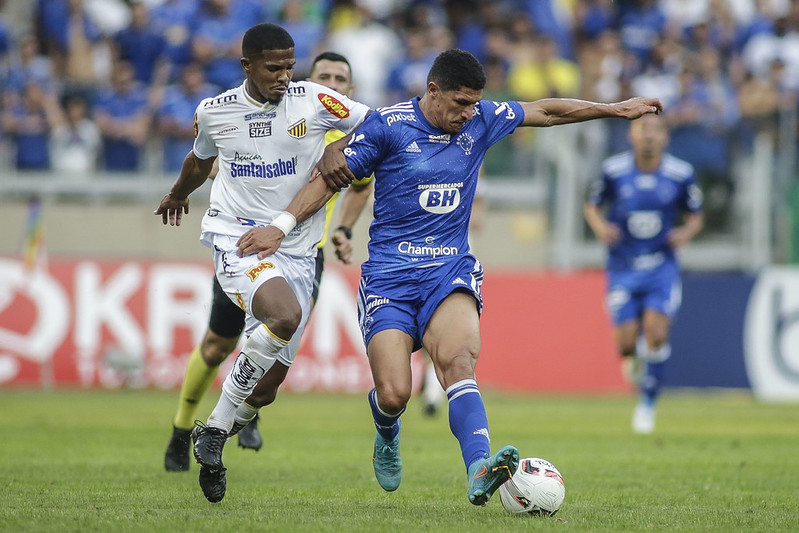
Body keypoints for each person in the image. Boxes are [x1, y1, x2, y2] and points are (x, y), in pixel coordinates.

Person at [238, 48, 662, 506]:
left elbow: (546, 110)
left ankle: (480, 467)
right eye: (460, 103)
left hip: (448, 268)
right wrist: (279, 228)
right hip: (388, 278)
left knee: (459, 363)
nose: (468, 113)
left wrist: (613, 110)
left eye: (475, 104)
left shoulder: (481, 118)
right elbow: (327, 179)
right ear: (433, 91)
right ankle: (386, 426)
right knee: (396, 393)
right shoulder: (389, 126)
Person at [154, 23, 371, 504]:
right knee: (281, 316)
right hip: (237, 237)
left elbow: (372, 123)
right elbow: (197, 161)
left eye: (290, 66)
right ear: (247, 66)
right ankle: (204, 432)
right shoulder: (214, 112)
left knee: (268, 388)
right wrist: (176, 194)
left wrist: (337, 142)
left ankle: (215, 427)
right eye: (274, 68)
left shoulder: (315, 99)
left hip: (296, 247)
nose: (285, 76)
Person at [584, 113, 703, 434]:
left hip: (661, 265)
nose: (649, 136)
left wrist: (686, 234)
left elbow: (695, 214)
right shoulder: (614, 170)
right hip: (623, 265)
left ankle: (648, 403)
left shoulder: (681, 174)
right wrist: (600, 227)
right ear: (631, 134)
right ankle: (633, 354)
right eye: (643, 129)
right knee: (624, 345)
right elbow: (592, 204)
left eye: (656, 130)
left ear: (665, 137)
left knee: (657, 331)